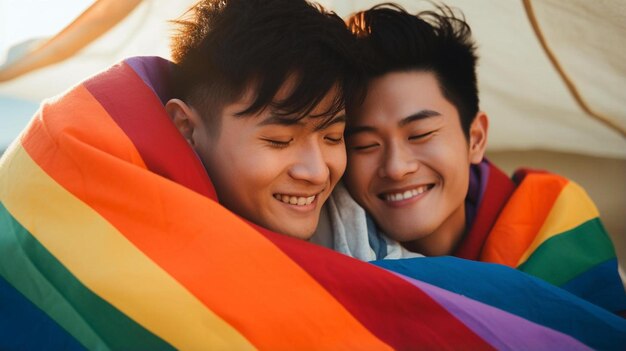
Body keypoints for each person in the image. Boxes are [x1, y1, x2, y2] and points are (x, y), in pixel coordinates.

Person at [313, 3, 625, 314]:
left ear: (475, 139)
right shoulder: (327, 240)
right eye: (365, 145)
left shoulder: (553, 227)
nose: (396, 167)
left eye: (420, 135)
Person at [163, 0, 362, 239]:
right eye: (280, 140)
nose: (317, 172)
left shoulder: (381, 251)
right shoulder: (145, 261)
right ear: (186, 128)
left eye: (332, 137)